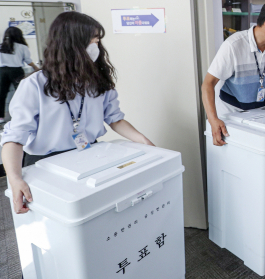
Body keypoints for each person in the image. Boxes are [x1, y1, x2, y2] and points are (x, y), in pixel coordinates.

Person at [1, 12, 154, 215]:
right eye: (93, 41)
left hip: (90, 154)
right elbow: (14, 137)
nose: (96, 47)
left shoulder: (98, 81)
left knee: (97, 212)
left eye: (98, 41)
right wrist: (15, 179)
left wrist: (145, 142)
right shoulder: (35, 85)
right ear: (72, 44)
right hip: (45, 163)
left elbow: (115, 119)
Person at [202, 0, 265, 147]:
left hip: (260, 115)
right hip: (230, 117)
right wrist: (213, 119)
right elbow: (207, 84)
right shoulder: (233, 46)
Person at [0, 27, 40, 124]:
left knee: (1, 94)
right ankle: (21, 116)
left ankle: (1, 117)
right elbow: (28, 60)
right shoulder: (22, 47)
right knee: (21, 94)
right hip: (16, 71)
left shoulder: (1, 46)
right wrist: (36, 68)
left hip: (2, 71)